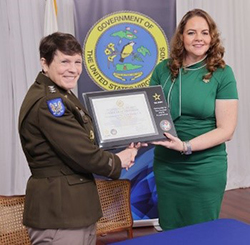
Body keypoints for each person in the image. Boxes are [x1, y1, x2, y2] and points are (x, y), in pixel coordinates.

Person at [18, 32, 142, 245]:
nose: (73, 69)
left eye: (77, 62)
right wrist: (118, 160)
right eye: (64, 61)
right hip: (60, 214)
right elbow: (81, 153)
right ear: (44, 63)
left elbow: (82, 139)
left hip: (74, 209)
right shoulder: (49, 103)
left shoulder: (60, 93)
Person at [150, 9, 238, 231]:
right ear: (181, 37)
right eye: (191, 32)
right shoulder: (163, 69)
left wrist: (185, 146)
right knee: (170, 229)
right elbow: (149, 112)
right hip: (167, 165)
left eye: (204, 32)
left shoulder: (222, 73)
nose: (198, 38)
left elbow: (226, 130)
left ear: (212, 38)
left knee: (202, 232)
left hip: (204, 167)